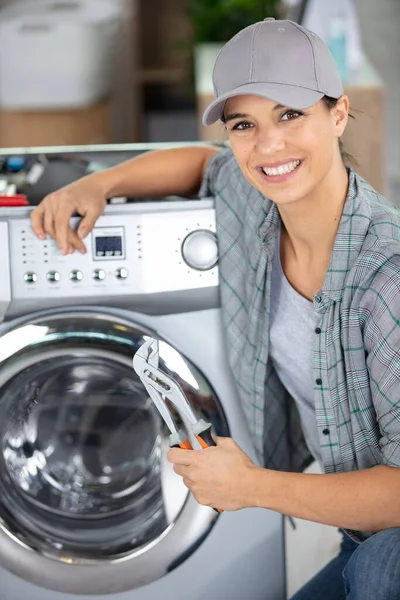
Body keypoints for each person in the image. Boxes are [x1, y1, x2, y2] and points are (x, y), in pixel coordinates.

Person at [30, 18, 400, 600]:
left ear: (339, 114)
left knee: (380, 566)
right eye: (244, 125)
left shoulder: (387, 275)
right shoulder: (253, 200)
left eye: (290, 115)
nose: (268, 145)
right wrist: (96, 186)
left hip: (392, 536)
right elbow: (202, 166)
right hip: (363, 535)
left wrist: (252, 486)